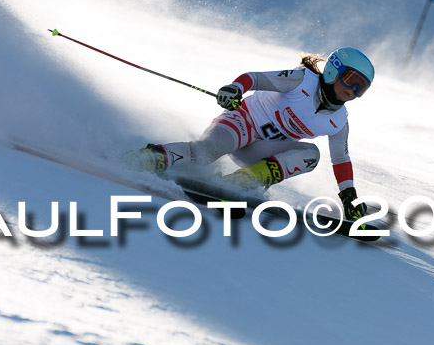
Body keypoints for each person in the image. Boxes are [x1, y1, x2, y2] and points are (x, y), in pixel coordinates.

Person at [131, 47, 374, 221]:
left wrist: (348, 196)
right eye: (351, 79)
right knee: (203, 153)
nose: (353, 90)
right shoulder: (302, 80)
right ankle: (150, 157)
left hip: (262, 150)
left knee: (311, 154)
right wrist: (235, 88)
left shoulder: (338, 121)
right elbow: (254, 79)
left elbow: (341, 159)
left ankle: (241, 184)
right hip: (242, 123)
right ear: (333, 71)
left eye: (360, 87)